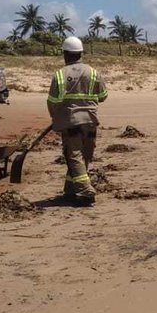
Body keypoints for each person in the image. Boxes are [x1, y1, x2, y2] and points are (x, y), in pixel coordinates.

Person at [47, 36, 108, 205]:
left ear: (65, 54)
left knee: (74, 156)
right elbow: (103, 96)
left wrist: (55, 118)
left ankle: (86, 190)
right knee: (84, 156)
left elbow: (52, 101)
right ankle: (70, 190)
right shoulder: (93, 72)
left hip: (71, 122)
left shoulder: (60, 75)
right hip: (90, 121)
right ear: (81, 53)